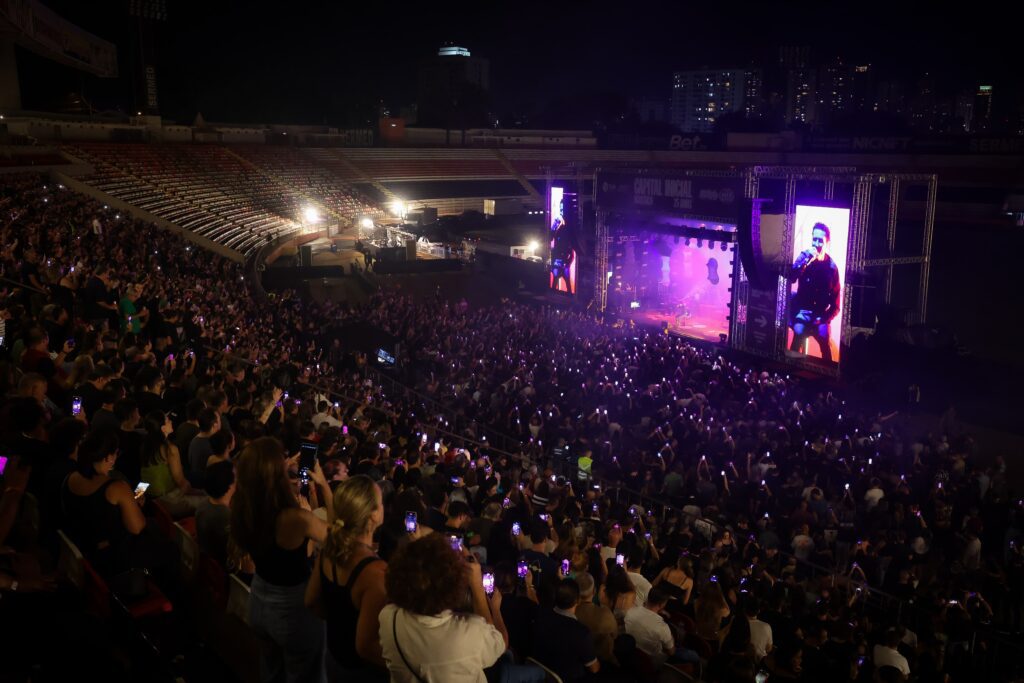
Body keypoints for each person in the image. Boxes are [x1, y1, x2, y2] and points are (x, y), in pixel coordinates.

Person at [231, 437, 332, 683]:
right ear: (276, 475)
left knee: (271, 672)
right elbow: (340, 538)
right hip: (292, 610)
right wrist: (324, 485)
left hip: (259, 599)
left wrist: (281, 465)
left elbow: (258, 482)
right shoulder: (296, 519)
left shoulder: (241, 505)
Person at [379, 534, 509, 683]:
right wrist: (481, 592)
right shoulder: (470, 632)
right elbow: (501, 643)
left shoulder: (389, 618)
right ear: (454, 587)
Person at [305, 475, 389, 681]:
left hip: (333, 657)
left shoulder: (331, 548)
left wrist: (339, 620)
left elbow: (311, 601)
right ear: (372, 516)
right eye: (380, 503)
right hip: (362, 672)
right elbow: (365, 646)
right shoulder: (376, 573)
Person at [787, 222, 840, 361]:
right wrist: (804, 261)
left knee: (824, 340)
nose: (816, 243)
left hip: (820, 314)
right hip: (803, 311)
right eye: (814, 239)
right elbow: (791, 277)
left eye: (820, 241)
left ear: (827, 242)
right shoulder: (804, 256)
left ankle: (826, 373)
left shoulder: (832, 268)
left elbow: (836, 304)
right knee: (798, 333)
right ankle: (792, 368)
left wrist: (824, 318)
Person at [532, 578, 600, 681]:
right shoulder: (581, 632)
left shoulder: (539, 616)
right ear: (578, 600)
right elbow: (594, 668)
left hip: (542, 675)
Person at [139, 410, 203, 518]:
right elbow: (180, 481)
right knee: (208, 500)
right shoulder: (170, 449)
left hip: (150, 496)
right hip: (166, 499)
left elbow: (144, 477)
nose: (171, 421)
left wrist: (137, 496)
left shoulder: (144, 446)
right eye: (167, 420)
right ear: (162, 428)